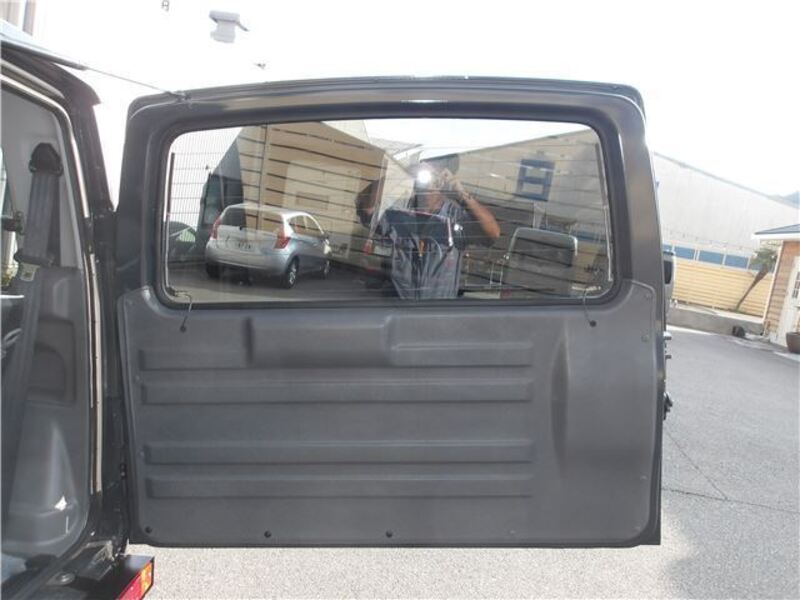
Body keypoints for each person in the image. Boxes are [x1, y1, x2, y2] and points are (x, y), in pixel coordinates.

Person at [368, 160, 500, 299]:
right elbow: (367, 210)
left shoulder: (455, 216)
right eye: (424, 170)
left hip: (436, 309)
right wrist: (400, 174)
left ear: (444, 177)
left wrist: (460, 192)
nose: (427, 177)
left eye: (434, 172)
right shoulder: (400, 212)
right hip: (398, 307)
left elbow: (493, 234)